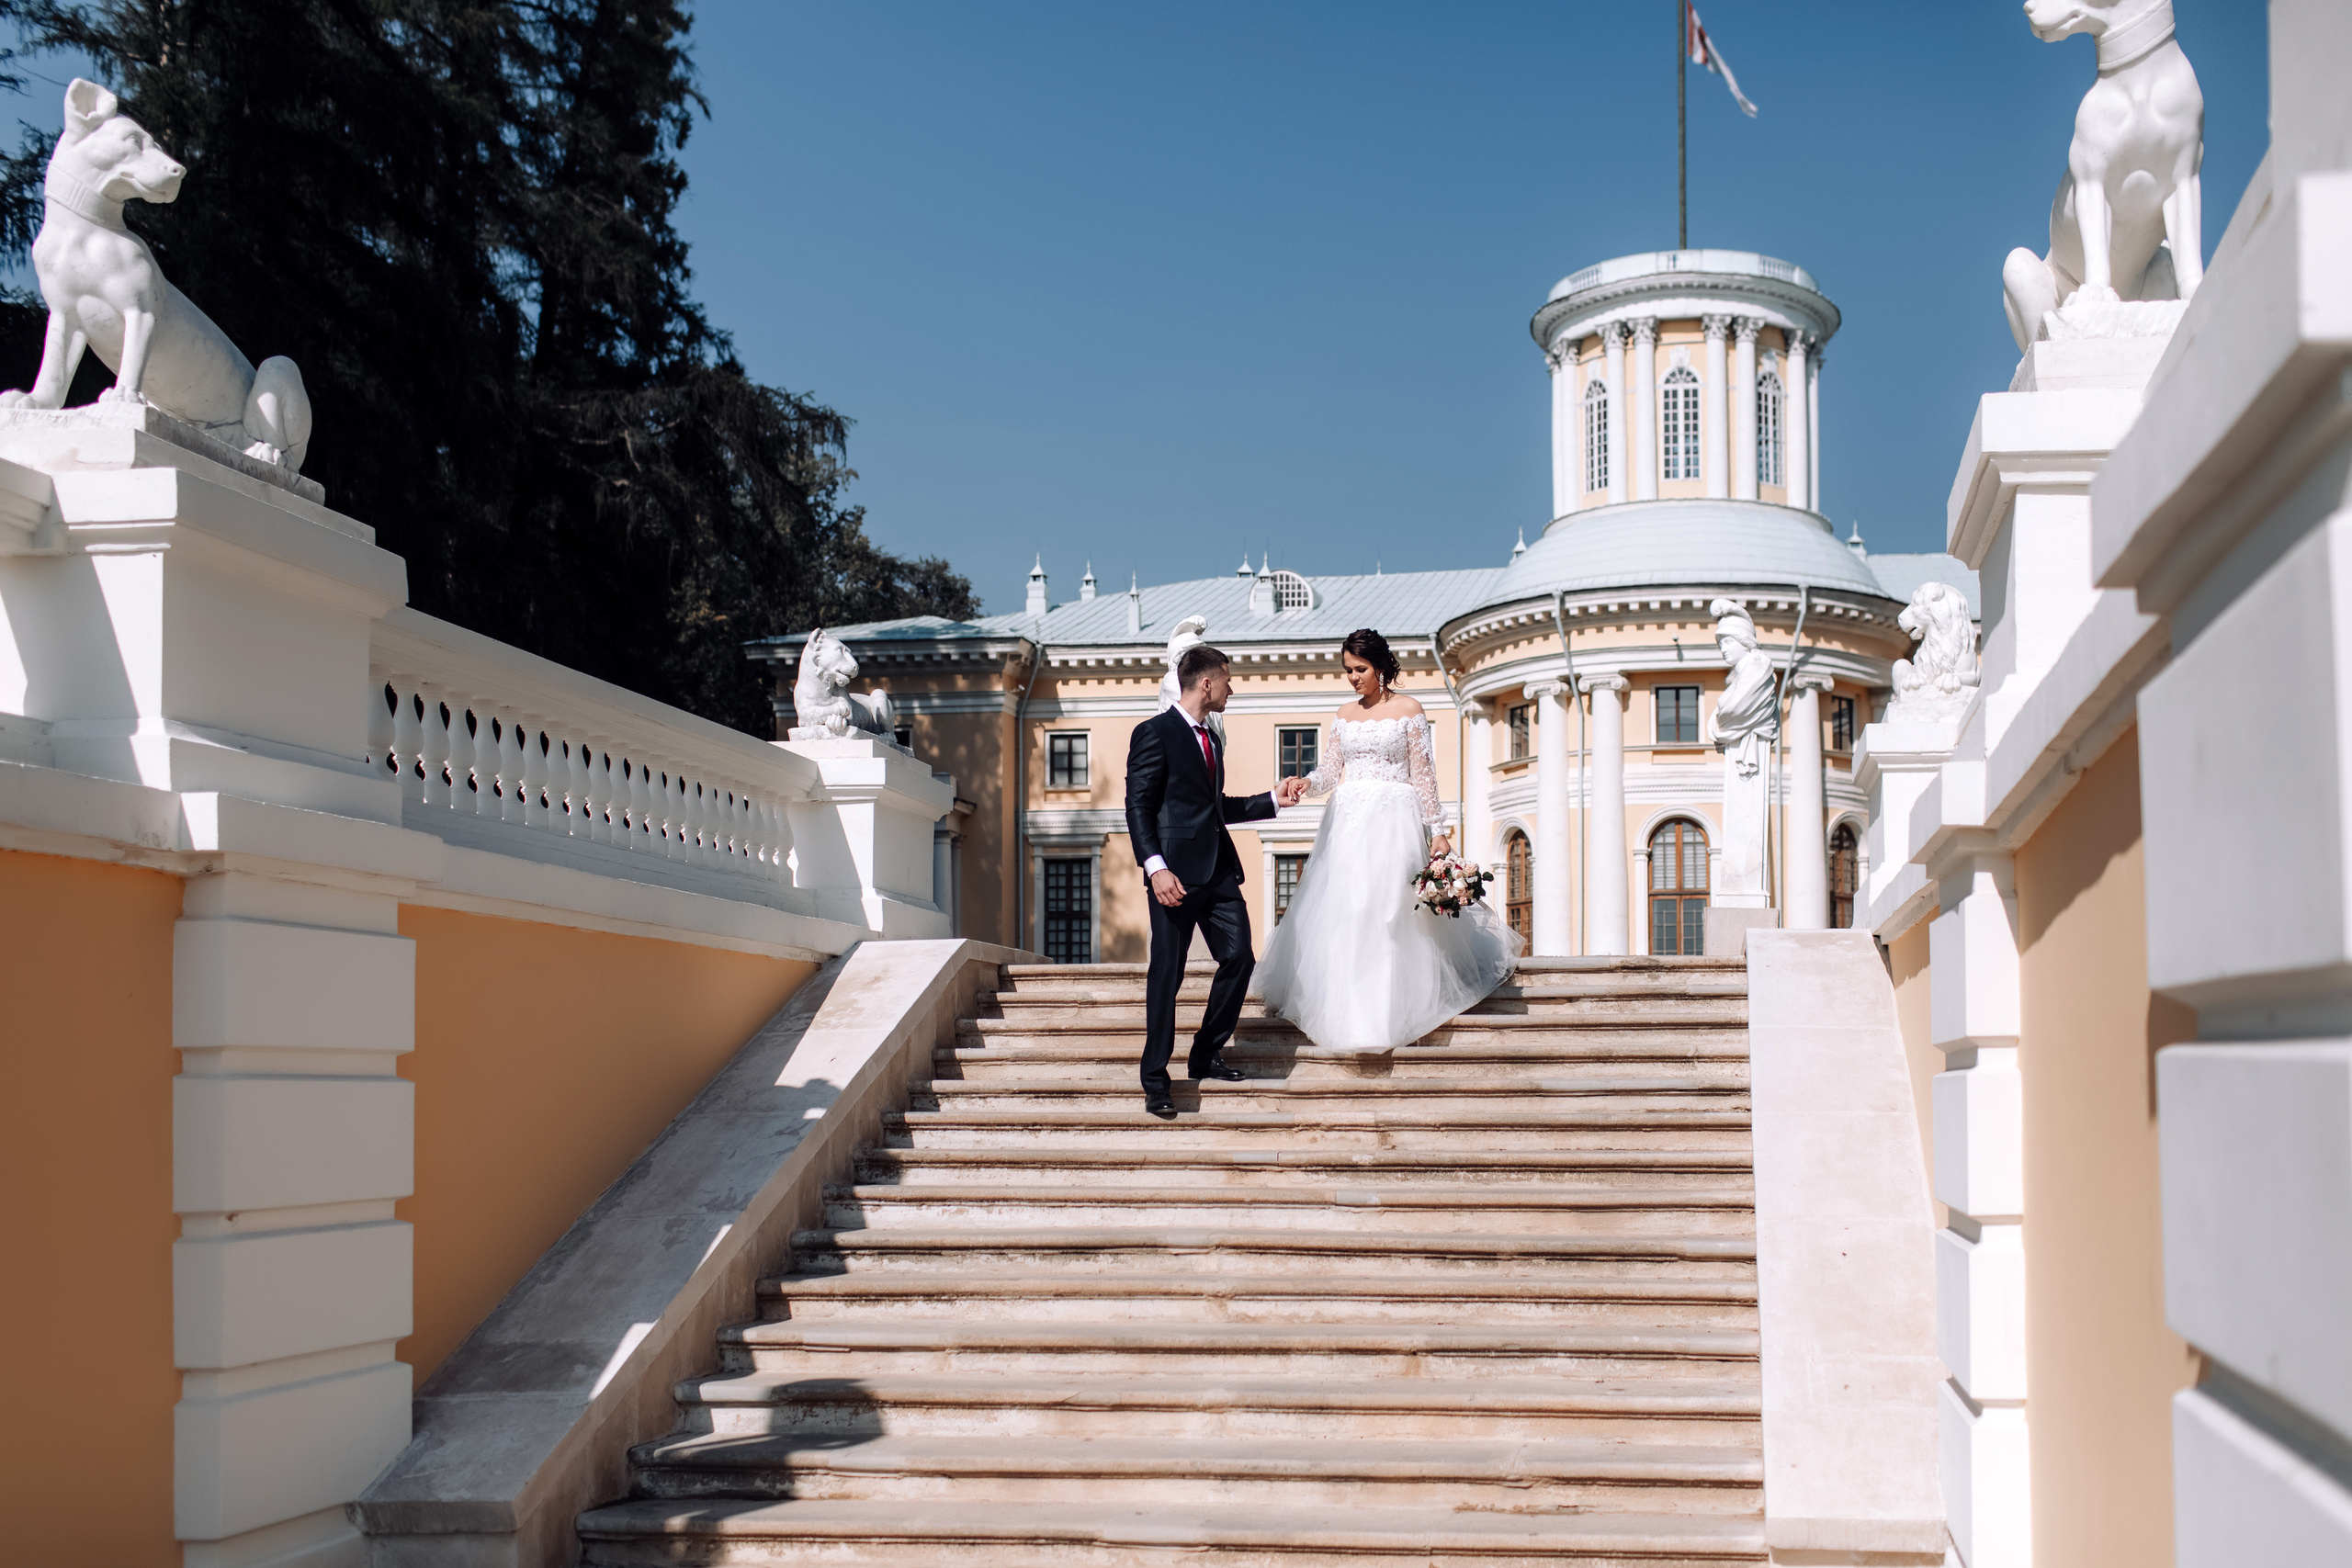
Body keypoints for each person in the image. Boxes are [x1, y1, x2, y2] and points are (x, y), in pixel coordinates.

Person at [1257, 627, 1521, 1048]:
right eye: (1347, 670)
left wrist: (1439, 832)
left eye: (1359, 669)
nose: (1352, 677)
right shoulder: (1344, 714)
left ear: (1380, 667)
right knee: (1350, 909)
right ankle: (1349, 1016)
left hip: (1395, 820)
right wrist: (1305, 782)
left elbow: (1424, 774)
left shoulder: (1410, 709)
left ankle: (1390, 1012)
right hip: (1347, 823)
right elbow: (1330, 771)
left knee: (1389, 911)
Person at [1123, 641, 1310, 1116]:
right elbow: (1138, 807)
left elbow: (1215, 808)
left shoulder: (1212, 739)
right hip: (1173, 878)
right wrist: (1155, 868)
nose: (1232, 686)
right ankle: (1155, 1080)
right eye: (1227, 677)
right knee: (1168, 974)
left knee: (1239, 958)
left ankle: (1204, 1054)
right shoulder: (1154, 733)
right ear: (1206, 682)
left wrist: (1272, 799)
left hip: (1219, 872)